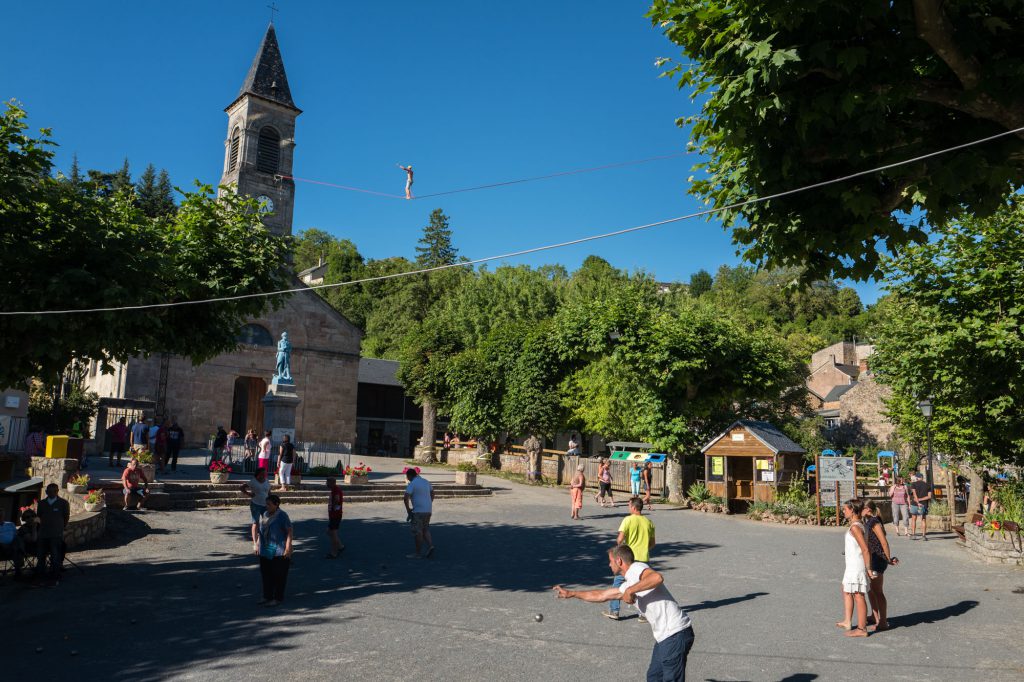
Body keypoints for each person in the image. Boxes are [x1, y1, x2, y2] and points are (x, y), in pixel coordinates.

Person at [554, 545, 695, 681]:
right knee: (654, 677)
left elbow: (656, 578)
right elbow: (601, 595)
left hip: (675, 633)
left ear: (619, 561)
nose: (609, 565)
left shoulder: (637, 568)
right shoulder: (627, 583)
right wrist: (572, 593)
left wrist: (630, 591)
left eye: (610, 561)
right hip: (665, 636)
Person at [607, 497, 656, 621]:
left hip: (629, 559)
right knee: (642, 585)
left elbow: (619, 539)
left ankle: (614, 610)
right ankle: (643, 614)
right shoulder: (649, 522)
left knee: (618, 582)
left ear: (634, 507)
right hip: (644, 558)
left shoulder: (628, 520)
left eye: (629, 505)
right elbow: (653, 543)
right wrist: (644, 548)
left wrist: (619, 551)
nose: (629, 508)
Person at [837, 498, 873, 637]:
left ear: (852, 510)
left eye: (845, 509)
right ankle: (847, 621)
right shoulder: (857, 525)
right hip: (851, 565)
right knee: (846, 589)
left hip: (857, 566)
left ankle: (862, 629)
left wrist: (868, 568)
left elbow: (865, 549)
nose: (843, 511)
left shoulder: (855, 527)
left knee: (858, 595)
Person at [862, 500, 899, 632]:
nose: (860, 509)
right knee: (871, 590)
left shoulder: (874, 522)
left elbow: (884, 542)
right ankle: (874, 615)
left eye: (862, 507)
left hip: (877, 559)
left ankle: (883, 621)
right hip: (871, 558)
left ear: (868, 509)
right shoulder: (867, 521)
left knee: (877, 591)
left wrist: (888, 559)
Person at [257, 494, 293, 606]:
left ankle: (277, 598)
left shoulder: (282, 515)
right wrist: (258, 543)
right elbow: (261, 531)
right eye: (266, 504)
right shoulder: (265, 514)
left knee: (279, 574)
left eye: (269, 504)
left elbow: (289, 531)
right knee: (267, 573)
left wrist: (288, 547)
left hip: (279, 548)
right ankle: (267, 596)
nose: (266, 506)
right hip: (267, 547)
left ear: (276, 504)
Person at [36, 483, 70, 584]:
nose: (51, 493)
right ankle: (40, 576)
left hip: (56, 534)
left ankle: (55, 576)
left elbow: (66, 517)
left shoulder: (63, 503)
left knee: (55, 556)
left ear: (57, 491)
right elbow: (39, 517)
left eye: (53, 491)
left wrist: (61, 528)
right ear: (46, 492)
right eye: (49, 491)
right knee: (41, 556)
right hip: (43, 534)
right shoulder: (41, 503)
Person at [403, 467, 435, 558]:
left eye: (407, 476)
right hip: (428, 510)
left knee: (418, 532)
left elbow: (405, 498)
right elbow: (432, 493)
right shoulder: (426, 481)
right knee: (425, 529)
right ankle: (431, 546)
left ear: (409, 475)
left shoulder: (412, 484)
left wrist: (409, 510)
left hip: (418, 512)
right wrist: (428, 503)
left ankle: (417, 553)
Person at [241, 467, 271, 554]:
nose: (265, 475)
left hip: (266, 505)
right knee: (255, 523)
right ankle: (255, 543)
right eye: (263, 474)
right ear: (258, 474)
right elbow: (242, 487)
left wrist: (272, 501)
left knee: (267, 523)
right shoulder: (253, 482)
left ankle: (263, 541)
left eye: (265, 474)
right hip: (256, 505)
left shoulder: (266, 481)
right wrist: (248, 494)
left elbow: (269, 492)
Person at [325, 476, 345, 558]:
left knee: (333, 534)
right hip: (335, 515)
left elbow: (337, 499)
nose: (326, 484)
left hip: (335, 515)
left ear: (332, 483)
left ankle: (334, 553)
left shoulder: (336, 490)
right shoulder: (334, 489)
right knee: (329, 531)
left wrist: (333, 506)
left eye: (327, 482)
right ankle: (340, 546)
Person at [909, 472, 932, 540]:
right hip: (923, 504)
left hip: (915, 504)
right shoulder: (928, 485)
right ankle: (923, 536)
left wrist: (918, 501)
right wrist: (921, 500)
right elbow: (929, 496)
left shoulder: (913, 484)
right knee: (923, 519)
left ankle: (913, 535)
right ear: (922, 477)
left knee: (914, 519)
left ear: (917, 477)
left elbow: (914, 494)